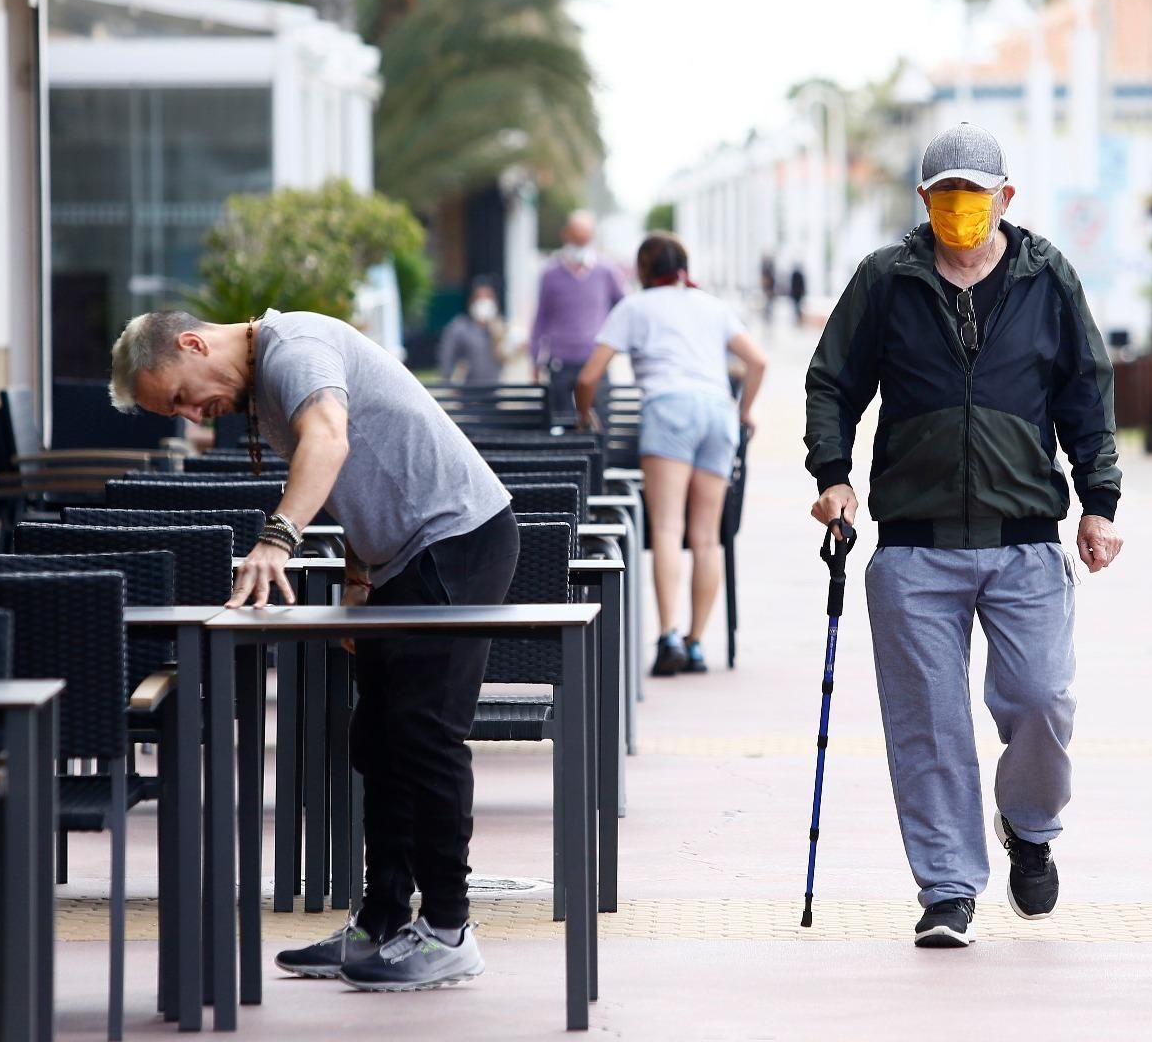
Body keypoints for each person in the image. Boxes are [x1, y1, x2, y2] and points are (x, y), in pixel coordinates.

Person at [110, 307, 519, 990]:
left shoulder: (291, 348)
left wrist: (276, 539)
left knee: (424, 734)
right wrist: (359, 578)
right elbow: (355, 476)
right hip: (404, 558)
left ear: (191, 343)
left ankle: (449, 929)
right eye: (176, 413)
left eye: (179, 396)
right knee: (379, 737)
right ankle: (382, 923)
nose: (191, 416)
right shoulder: (267, 384)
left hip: (457, 539)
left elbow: (329, 439)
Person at [805, 123, 1124, 949]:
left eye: (973, 198)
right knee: (929, 726)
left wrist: (1099, 501)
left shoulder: (1048, 277)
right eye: (945, 198)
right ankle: (947, 888)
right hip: (914, 543)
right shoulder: (886, 280)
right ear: (924, 202)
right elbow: (832, 383)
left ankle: (1030, 827)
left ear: (1005, 199)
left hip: (1025, 535)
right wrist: (833, 477)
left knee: (1042, 700)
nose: (960, 213)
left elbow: (1087, 392)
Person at [575, 232, 768, 676]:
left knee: (666, 528)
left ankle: (667, 638)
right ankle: (696, 644)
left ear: (644, 269)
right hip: (718, 414)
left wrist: (587, 418)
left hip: (669, 410)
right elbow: (757, 361)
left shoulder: (635, 307)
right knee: (706, 537)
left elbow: (588, 378)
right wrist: (745, 411)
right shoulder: (712, 306)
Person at [530, 208, 625, 420]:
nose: (581, 243)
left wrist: (614, 344)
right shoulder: (550, 274)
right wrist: (535, 357)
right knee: (562, 422)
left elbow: (622, 309)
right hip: (561, 362)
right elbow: (541, 318)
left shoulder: (607, 271)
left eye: (585, 238)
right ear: (566, 235)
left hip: (595, 361)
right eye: (576, 237)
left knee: (600, 422)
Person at [438, 280, 506, 385]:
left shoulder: (499, 327)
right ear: (472, 301)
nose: (484, 301)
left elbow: (506, 357)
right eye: (479, 297)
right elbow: (446, 355)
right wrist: (449, 380)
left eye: (488, 297)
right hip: (467, 391)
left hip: (493, 389)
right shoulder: (459, 327)